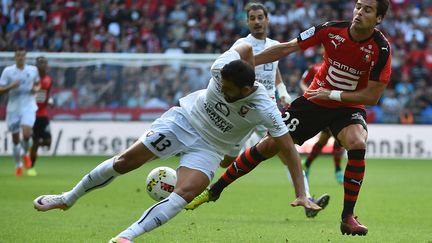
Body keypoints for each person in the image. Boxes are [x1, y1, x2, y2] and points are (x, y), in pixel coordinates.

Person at [33, 43, 320, 243]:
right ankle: (68, 198)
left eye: (228, 90)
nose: (221, 89)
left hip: (210, 146)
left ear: (246, 90)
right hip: (183, 121)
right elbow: (244, 48)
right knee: (125, 162)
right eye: (220, 84)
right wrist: (249, 60)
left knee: (185, 193)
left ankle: (125, 236)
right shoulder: (221, 69)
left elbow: (288, 150)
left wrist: (301, 192)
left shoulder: (265, 107)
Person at [187, 0, 391, 236]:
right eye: (358, 6)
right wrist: (250, 63)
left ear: (378, 18)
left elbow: (372, 96)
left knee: (357, 142)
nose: (359, 12)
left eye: (367, 9)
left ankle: (347, 217)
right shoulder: (330, 30)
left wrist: (333, 94)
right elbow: (287, 48)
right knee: (269, 145)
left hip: (347, 105)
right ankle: (215, 191)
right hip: (314, 101)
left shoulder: (381, 48)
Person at [191, 2, 329, 219]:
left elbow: (274, 71)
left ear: (267, 19)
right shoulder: (242, 46)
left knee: (286, 150)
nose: (256, 22)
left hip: (267, 109)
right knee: (228, 160)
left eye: (260, 17)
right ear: (247, 22)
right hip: (242, 111)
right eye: (252, 18)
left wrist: (282, 91)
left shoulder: (274, 45)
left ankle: (306, 199)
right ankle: (197, 176)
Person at [299, 62, 345, 184]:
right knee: (329, 139)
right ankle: (337, 170)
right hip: (323, 108)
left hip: (338, 106)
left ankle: (308, 164)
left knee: (328, 140)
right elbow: (303, 82)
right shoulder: (314, 67)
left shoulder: (341, 66)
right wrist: (309, 92)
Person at [0, 48, 40, 176]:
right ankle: (18, 164)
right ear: (15, 57)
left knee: (27, 133)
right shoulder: (8, 71)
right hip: (13, 108)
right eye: (18, 56)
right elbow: (0, 89)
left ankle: (25, 153)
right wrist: (11, 86)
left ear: (25, 57)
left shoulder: (33, 70)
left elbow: (38, 84)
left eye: (23, 55)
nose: (20, 58)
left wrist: (36, 89)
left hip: (28, 106)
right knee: (16, 139)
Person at [27, 56, 54, 176]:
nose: (42, 65)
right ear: (36, 65)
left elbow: (47, 95)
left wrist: (50, 101)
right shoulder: (32, 79)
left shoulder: (49, 79)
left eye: (44, 63)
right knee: (36, 141)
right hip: (33, 114)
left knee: (48, 142)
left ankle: (32, 147)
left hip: (43, 114)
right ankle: (31, 167)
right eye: (40, 63)